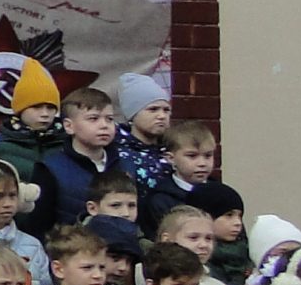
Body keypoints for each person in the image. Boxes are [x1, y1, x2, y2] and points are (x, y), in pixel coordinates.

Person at [32, 86, 119, 235]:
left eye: (109, 119)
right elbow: (40, 227)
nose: (104, 125)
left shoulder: (125, 166)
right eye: (93, 118)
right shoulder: (50, 169)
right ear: (69, 126)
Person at [0, 59, 66, 187]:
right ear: (20, 110)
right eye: (36, 107)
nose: (45, 113)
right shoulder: (3, 149)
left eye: (51, 107)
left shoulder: (69, 144)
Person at [143, 119, 221, 235]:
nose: (202, 163)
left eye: (208, 156)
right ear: (170, 158)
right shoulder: (161, 200)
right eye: (192, 156)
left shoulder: (220, 193)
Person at [110, 73, 176, 208]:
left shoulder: (174, 150)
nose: (162, 116)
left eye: (166, 110)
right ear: (132, 114)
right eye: (153, 109)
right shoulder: (117, 154)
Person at [193, 180, 250, 285]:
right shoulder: (200, 261)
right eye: (229, 215)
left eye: (240, 216)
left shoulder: (247, 254)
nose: (238, 223)